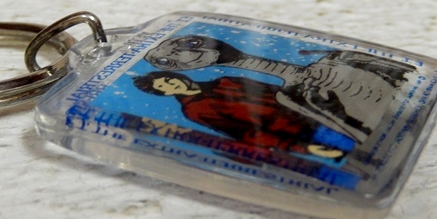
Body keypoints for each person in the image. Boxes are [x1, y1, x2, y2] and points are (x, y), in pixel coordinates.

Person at [132, 71, 354, 160]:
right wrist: (304, 149)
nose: (172, 84)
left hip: (320, 115)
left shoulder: (225, 81)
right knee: (353, 156)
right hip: (302, 134)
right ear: (164, 94)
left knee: (365, 141)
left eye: (168, 79)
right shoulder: (195, 110)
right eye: (164, 87)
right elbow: (246, 134)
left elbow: (279, 92)